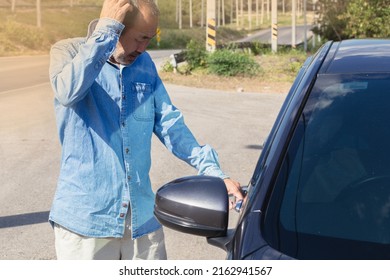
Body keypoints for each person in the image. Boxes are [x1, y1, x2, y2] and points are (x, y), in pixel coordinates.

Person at [48, 0, 243, 260]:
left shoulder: (144, 64)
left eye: (149, 40)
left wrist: (213, 172)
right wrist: (105, 31)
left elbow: (170, 124)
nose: (143, 48)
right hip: (86, 223)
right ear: (116, 27)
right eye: (140, 38)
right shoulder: (69, 51)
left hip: (140, 221)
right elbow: (67, 92)